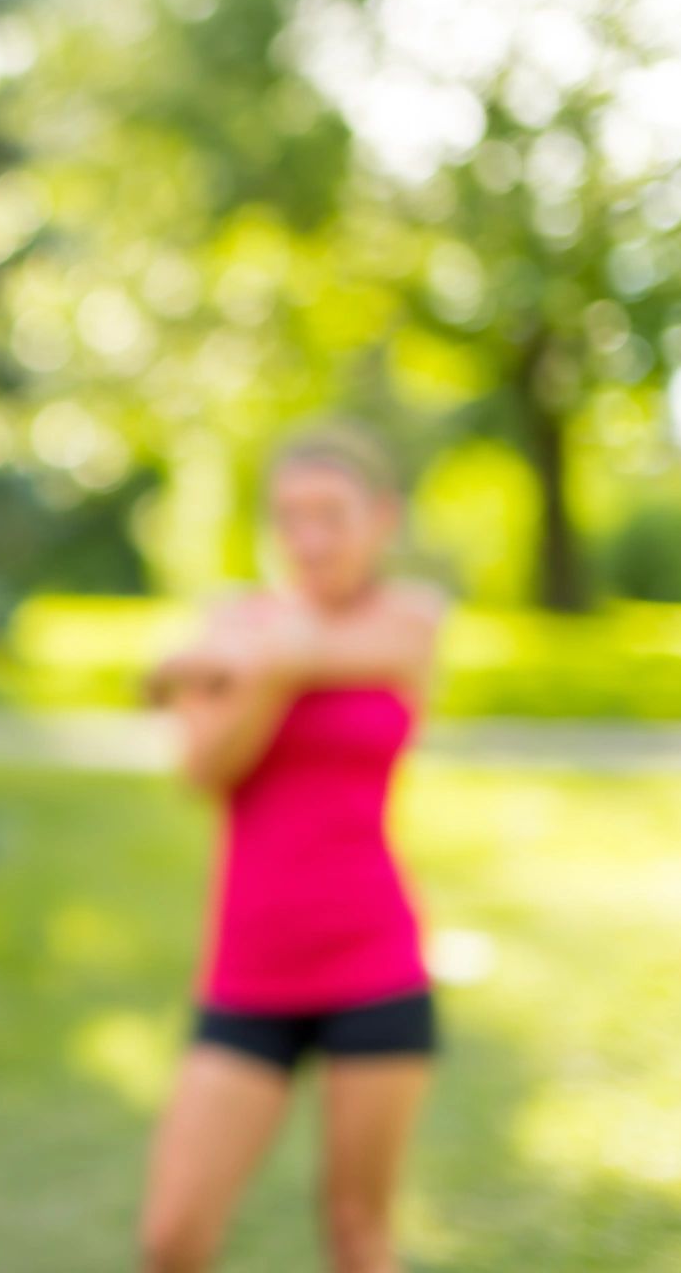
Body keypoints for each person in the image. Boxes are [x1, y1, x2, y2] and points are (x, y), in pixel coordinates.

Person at [139, 425, 446, 1273]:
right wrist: (266, 667)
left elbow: (366, 652)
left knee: (356, 1230)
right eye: (289, 517)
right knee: (172, 1238)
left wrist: (242, 662)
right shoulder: (234, 623)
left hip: (374, 959)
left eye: (331, 515)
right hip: (248, 966)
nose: (309, 538)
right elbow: (203, 769)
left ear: (381, 518)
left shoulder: (407, 619)